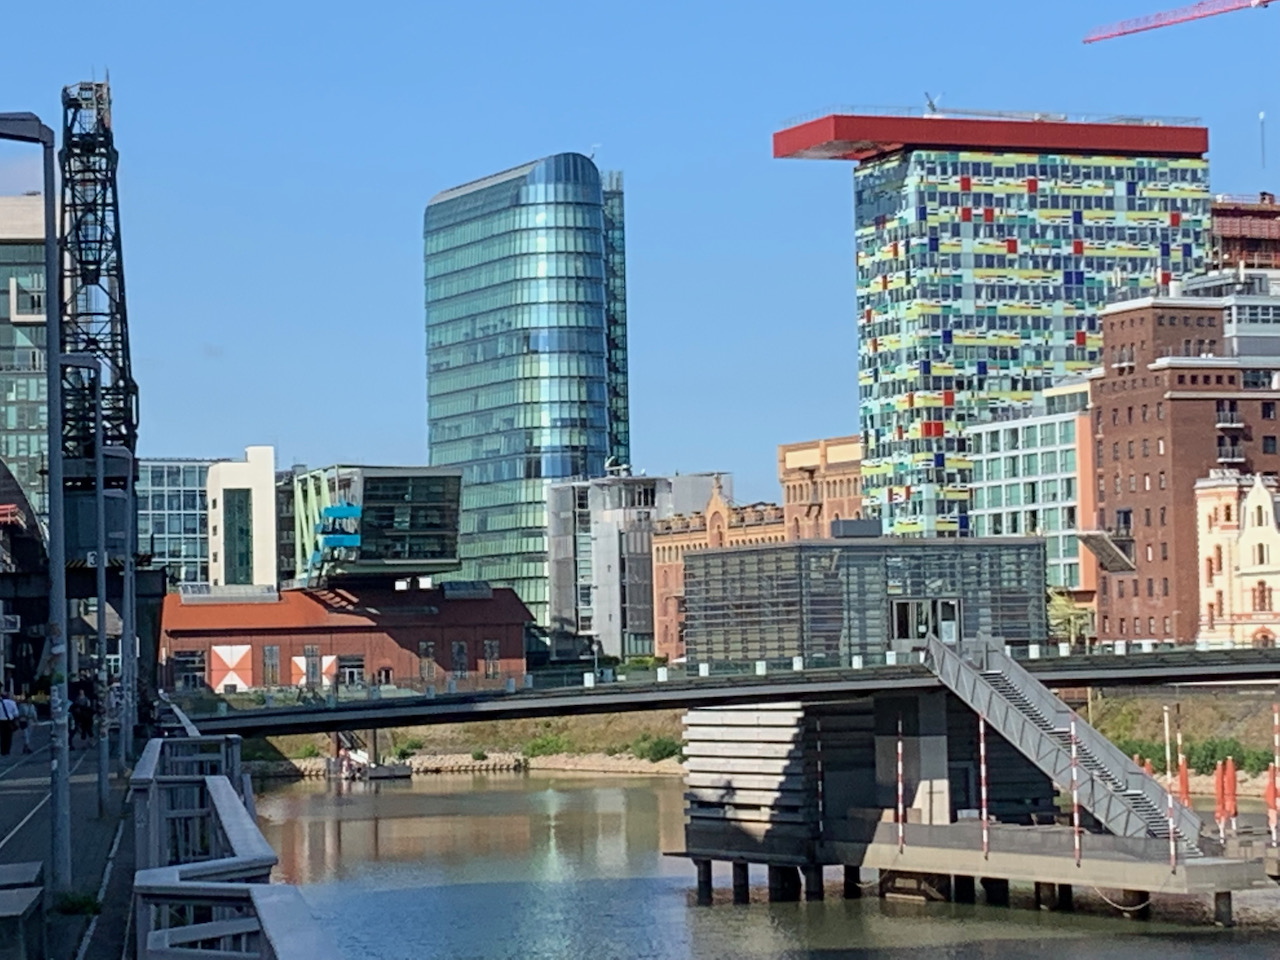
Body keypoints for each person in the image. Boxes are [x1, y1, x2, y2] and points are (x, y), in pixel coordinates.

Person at [0, 690, 18, 757]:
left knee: (2, 736)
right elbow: (16, 714)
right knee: (8, 737)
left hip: (1, 721)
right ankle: (7, 750)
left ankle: (2, 751)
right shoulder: (12, 703)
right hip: (9, 721)